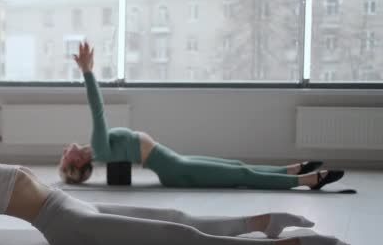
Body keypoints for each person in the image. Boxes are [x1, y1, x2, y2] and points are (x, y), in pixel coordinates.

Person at [0, 16, 351, 245]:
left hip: (64, 202)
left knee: (176, 214)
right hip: (68, 227)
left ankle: (261, 220)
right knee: (180, 236)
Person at [59, 42, 345, 191]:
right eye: (65, 156)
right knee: (241, 176)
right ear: (78, 161)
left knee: (237, 165)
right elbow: (97, 109)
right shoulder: (97, 148)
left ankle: (292, 169)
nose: (64, 149)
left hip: (175, 162)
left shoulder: (96, 148)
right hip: (176, 171)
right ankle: (306, 182)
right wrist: (87, 72)